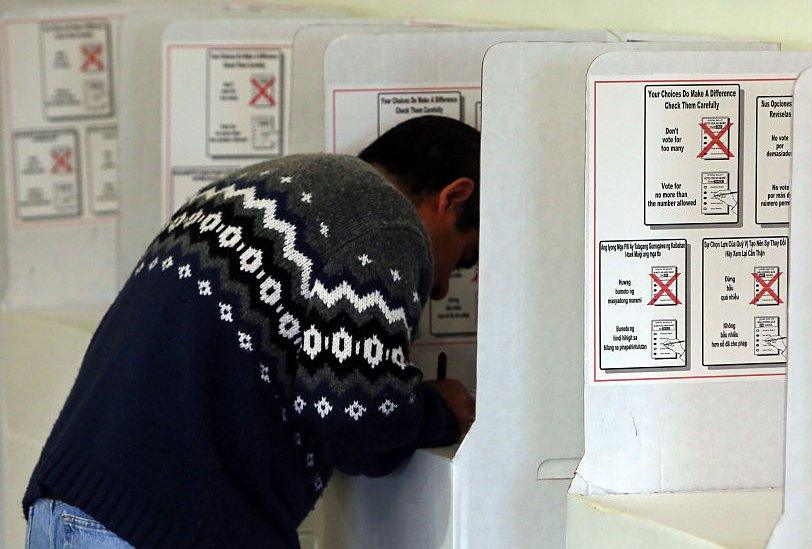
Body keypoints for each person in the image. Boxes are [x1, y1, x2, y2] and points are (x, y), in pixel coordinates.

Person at [22, 116, 479, 548]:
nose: (440, 289)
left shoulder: (262, 185)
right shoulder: (384, 222)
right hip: (159, 527)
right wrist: (442, 410)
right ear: (453, 197)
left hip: (73, 508)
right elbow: (358, 421)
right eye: (463, 258)